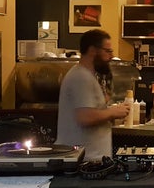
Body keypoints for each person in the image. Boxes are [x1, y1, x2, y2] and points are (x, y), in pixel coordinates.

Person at [55, 29, 130, 161]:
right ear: (93, 50)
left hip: (90, 159)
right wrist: (113, 112)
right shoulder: (81, 77)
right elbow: (85, 117)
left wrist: (106, 110)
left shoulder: (86, 76)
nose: (111, 56)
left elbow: (90, 112)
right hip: (84, 161)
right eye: (107, 51)